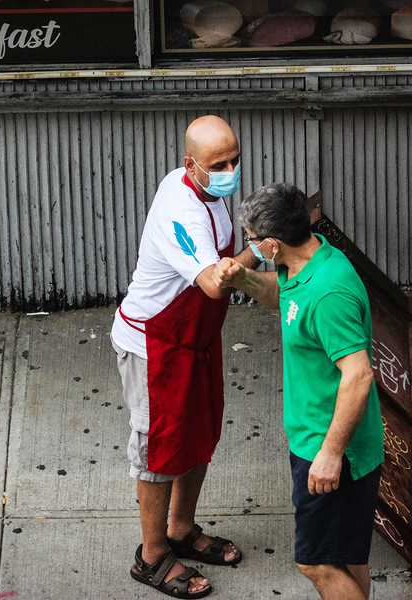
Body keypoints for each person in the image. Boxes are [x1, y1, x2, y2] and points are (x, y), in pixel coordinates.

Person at [111, 115, 259, 598]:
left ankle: (181, 529)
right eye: (220, 165)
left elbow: (223, 270)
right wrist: (263, 253)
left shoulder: (207, 191)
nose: (231, 171)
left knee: (197, 433)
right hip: (155, 345)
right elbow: (214, 280)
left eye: (236, 160)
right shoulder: (183, 212)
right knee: (159, 450)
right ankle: (152, 556)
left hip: (195, 340)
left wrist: (258, 244)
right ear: (189, 165)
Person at [212, 183, 384, 600]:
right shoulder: (303, 263)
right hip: (319, 440)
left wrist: (329, 455)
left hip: (333, 451)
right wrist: (244, 278)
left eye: (252, 242)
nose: (250, 248)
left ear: (271, 243)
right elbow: (283, 297)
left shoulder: (329, 293)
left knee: (316, 562)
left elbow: (359, 374)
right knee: (347, 559)